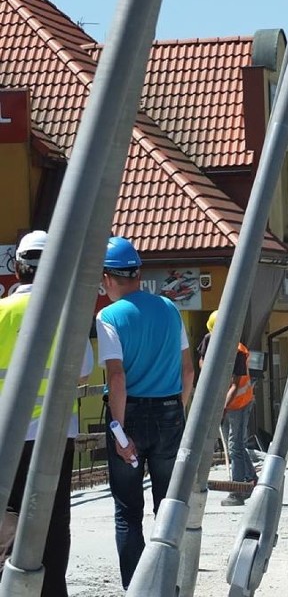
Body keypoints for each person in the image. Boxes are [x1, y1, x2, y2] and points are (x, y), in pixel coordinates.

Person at [95, 236, 194, 589]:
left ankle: (137, 588)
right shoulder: (169, 308)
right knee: (168, 509)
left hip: (131, 413)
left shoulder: (108, 316)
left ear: (108, 277)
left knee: (128, 511)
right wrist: (176, 412)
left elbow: (117, 377)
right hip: (170, 411)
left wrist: (120, 432)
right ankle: (170, 585)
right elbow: (188, 371)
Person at [1, 230, 94, 597]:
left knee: (8, 516)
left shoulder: (3, 312)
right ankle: (52, 589)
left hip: (7, 435)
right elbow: (84, 370)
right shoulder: (67, 314)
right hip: (54, 436)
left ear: (19, 267)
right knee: (54, 519)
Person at [197, 309, 257, 507]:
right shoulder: (209, 339)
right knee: (236, 446)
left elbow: (234, 385)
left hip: (239, 402)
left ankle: (237, 491)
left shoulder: (238, 351)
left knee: (234, 446)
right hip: (221, 401)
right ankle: (251, 479)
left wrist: (221, 408)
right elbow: (202, 360)